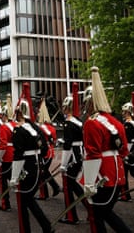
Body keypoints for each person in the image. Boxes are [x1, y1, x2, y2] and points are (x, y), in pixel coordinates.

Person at [82, 67, 131, 232]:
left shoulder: (91, 122)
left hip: (102, 174)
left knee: (97, 214)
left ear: (90, 102)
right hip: (118, 174)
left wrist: (89, 182)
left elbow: (93, 154)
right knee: (105, 213)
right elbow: (124, 150)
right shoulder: (116, 122)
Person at [10, 82, 53, 233]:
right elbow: (45, 148)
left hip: (27, 168)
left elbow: (18, 155)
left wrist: (14, 177)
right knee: (28, 200)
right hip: (37, 166)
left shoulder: (18, 130)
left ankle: (35, 228)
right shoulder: (35, 128)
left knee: (24, 200)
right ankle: (44, 226)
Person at [58, 82, 87, 224]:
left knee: (68, 186)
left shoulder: (69, 123)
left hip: (73, 157)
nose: (63, 109)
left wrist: (63, 164)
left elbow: (68, 145)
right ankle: (89, 206)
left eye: (64, 107)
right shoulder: (78, 121)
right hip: (79, 154)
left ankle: (71, 216)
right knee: (73, 184)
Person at [36, 98, 61, 200]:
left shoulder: (42, 127)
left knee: (42, 172)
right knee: (45, 172)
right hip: (50, 151)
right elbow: (54, 140)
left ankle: (44, 194)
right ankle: (55, 187)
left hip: (45, 152)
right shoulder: (51, 128)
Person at [0, 94, 16, 211]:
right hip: (16, 156)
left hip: (7, 156)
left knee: (3, 181)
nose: (1, 117)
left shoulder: (4, 127)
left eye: (2, 115)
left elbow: (3, 145)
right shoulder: (16, 125)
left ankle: (5, 204)